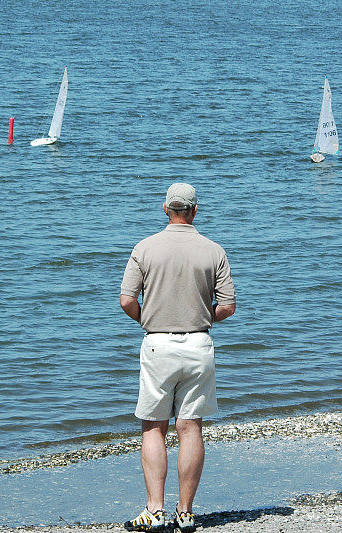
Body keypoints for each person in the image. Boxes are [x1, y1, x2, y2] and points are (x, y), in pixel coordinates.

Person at [120, 183, 236, 532]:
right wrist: (200, 316)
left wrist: (150, 319)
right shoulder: (213, 250)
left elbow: (126, 300)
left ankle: (155, 510)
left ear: (165, 209)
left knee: (154, 428)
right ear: (195, 211)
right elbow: (227, 306)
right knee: (190, 427)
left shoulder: (145, 247)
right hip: (199, 345)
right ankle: (185, 512)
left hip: (157, 344)